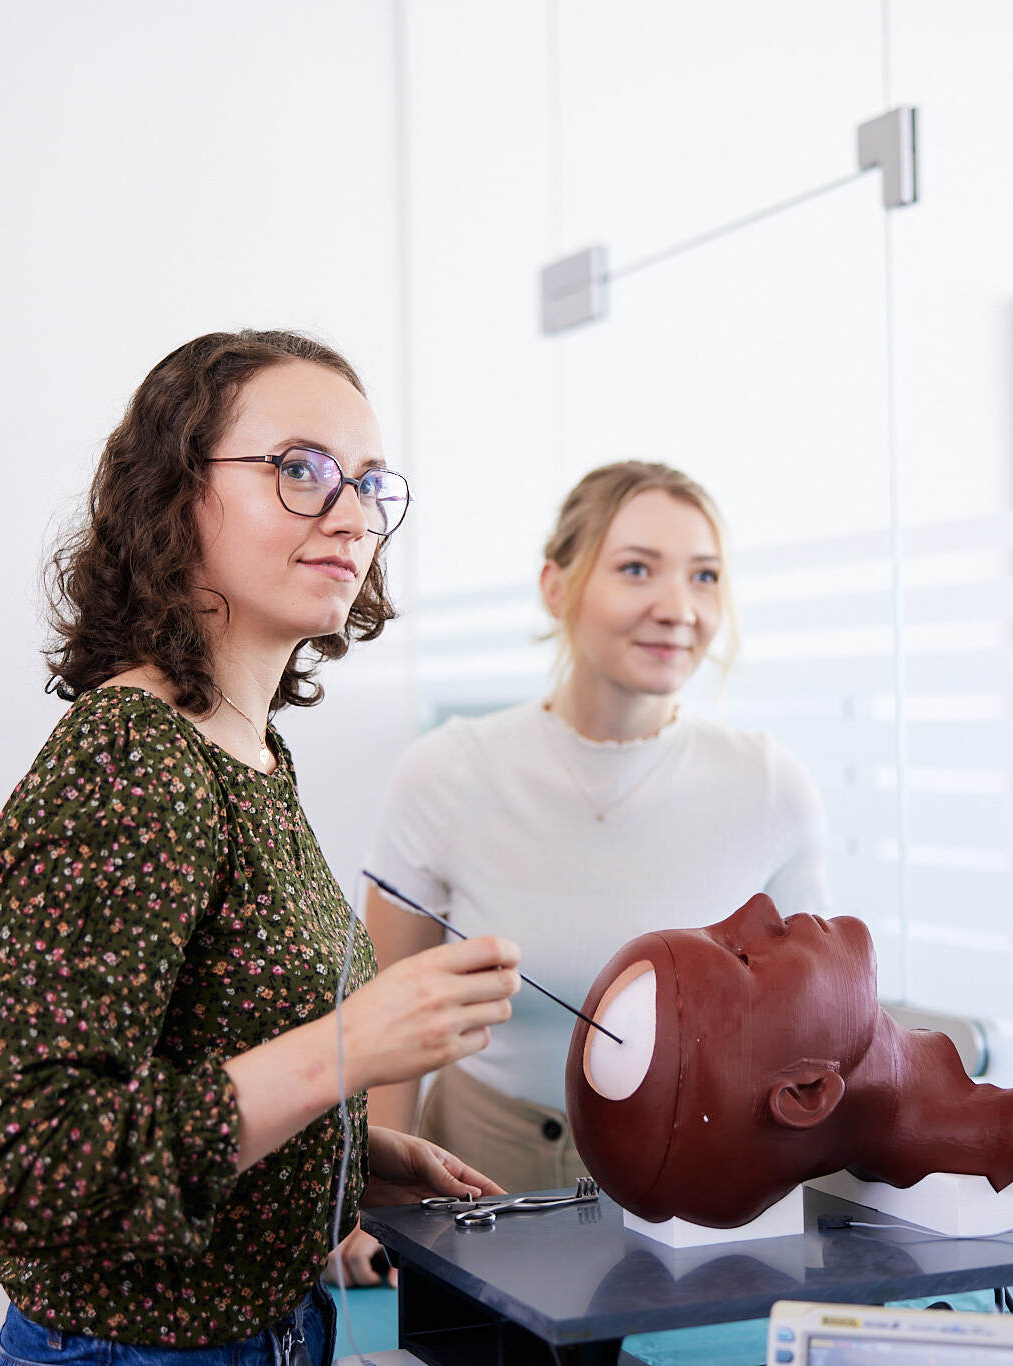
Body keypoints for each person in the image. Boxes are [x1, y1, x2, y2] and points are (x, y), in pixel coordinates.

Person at [0, 330, 523, 1362]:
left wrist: (343, 1151)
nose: (349, 514)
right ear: (173, 494)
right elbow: (29, 1171)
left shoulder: (250, 752)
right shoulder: (132, 763)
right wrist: (345, 1049)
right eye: (299, 470)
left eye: (368, 484)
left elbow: (203, 1062)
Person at [332, 461, 831, 1284]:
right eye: (636, 568)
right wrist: (366, 1201)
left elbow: (810, 1025)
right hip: (475, 1191)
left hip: (692, 1204)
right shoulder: (449, 770)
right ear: (556, 586)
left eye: (704, 576)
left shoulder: (771, 784)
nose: (678, 607)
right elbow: (384, 1015)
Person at [567, 893, 1013, 1227]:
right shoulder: (995, 1133)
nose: (759, 907)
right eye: (743, 957)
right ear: (808, 1095)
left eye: (718, 930)